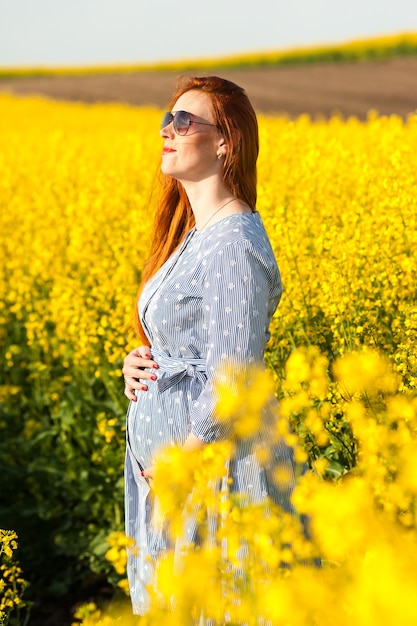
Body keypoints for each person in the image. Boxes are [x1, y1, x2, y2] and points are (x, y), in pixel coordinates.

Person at [122, 75, 303, 615]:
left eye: (185, 121)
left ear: (226, 141)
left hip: (216, 479)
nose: (167, 130)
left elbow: (232, 380)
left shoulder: (231, 245)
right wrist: (141, 362)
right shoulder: (196, 235)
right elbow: (193, 344)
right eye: (166, 118)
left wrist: (184, 462)